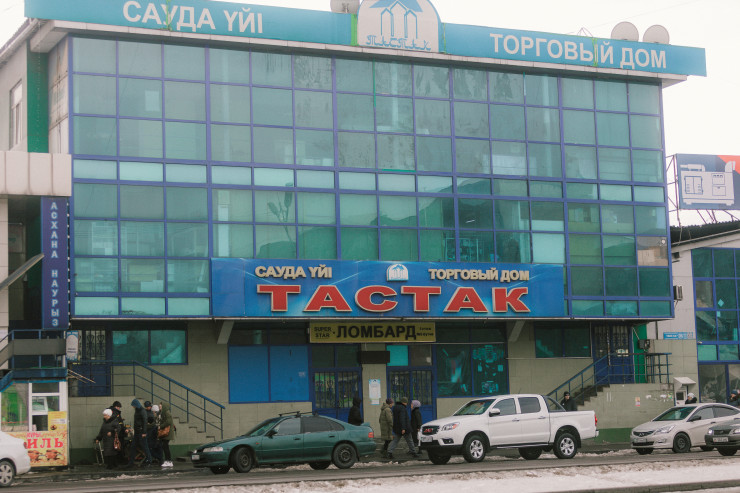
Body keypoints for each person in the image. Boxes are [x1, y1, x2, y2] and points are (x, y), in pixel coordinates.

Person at [126, 399, 152, 468]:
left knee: (144, 447)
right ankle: (131, 462)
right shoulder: (138, 410)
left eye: (133, 405)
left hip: (141, 432)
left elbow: (145, 421)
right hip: (138, 431)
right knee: (134, 447)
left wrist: (144, 432)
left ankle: (149, 460)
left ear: (136, 405)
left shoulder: (142, 411)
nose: (133, 407)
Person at [158, 402, 176, 468]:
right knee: (165, 446)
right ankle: (168, 461)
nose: (159, 408)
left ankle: (169, 461)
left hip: (167, 433)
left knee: (165, 446)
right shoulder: (163, 413)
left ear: (163, 407)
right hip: (167, 433)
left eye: (160, 406)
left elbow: (168, 422)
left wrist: (161, 426)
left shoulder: (167, 413)